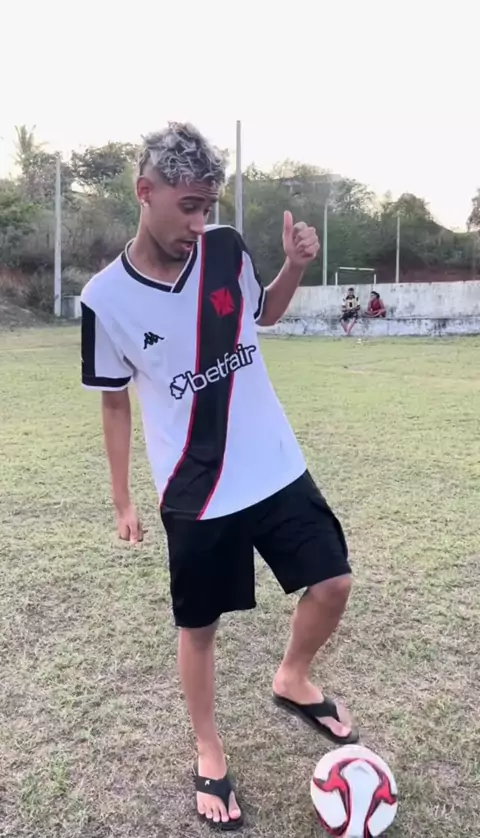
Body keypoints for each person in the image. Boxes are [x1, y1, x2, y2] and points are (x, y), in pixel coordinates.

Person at [80, 123, 357, 831]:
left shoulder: (226, 249)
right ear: (145, 192)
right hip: (195, 491)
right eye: (188, 206)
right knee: (199, 627)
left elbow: (265, 313)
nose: (199, 222)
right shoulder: (104, 299)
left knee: (333, 583)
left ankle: (292, 677)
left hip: (273, 464)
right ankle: (208, 747)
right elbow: (114, 403)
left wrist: (294, 266)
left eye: (207, 206)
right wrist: (122, 499)